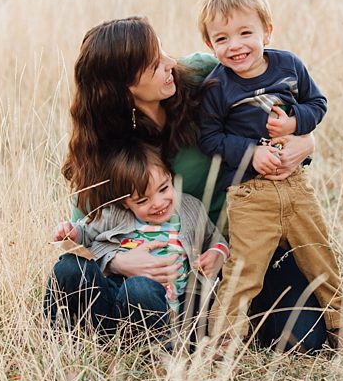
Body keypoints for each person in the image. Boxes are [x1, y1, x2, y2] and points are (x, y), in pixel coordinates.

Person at [45, 16, 330, 351]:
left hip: (246, 245)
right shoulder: (104, 148)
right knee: (79, 275)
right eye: (155, 64)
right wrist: (120, 261)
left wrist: (306, 141)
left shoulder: (205, 76)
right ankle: (134, 326)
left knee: (302, 339)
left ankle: (180, 324)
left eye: (162, 51)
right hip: (168, 270)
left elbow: (283, 106)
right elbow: (84, 232)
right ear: (125, 86)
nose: (170, 63)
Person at [196, 0, 343, 349]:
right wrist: (250, 152)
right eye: (222, 39)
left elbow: (318, 103)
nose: (235, 46)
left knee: (320, 257)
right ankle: (222, 341)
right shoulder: (217, 86)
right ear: (210, 45)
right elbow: (209, 138)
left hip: (296, 185)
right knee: (244, 271)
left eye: (245, 33)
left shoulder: (289, 65)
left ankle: (342, 327)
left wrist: (295, 123)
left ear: (267, 31)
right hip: (250, 195)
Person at [49, 140, 228, 334]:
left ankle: (156, 347)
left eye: (164, 189)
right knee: (69, 266)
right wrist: (71, 233)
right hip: (111, 309)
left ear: (170, 177)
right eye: (142, 200)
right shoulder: (115, 215)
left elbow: (215, 238)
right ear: (125, 203)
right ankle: (56, 332)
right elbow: (85, 233)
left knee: (141, 287)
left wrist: (217, 253)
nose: (158, 203)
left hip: (170, 312)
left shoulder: (191, 209)